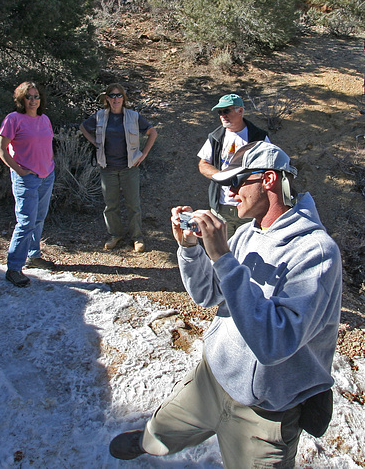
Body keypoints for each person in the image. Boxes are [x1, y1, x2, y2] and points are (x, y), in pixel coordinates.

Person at [109, 142, 343, 467]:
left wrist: (222, 257)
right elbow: (208, 295)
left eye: (236, 182)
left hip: (265, 413)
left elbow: (274, 345)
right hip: (213, 376)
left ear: (269, 180)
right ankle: (150, 441)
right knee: (165, 426)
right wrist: (190, 249)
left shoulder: (315, 252)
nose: (230, 193)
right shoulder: (248, 234)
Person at [79, 83, 157, 253]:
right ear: (107, 98)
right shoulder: (100, 116)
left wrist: (143, 154)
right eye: (112, 96)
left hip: (129, 167)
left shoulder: (133, 116)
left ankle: (137, 237)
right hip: (107, 168)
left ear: (124, 98)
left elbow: (153, 133)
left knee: (133, 204)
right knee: (110, 205)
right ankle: (115, 235)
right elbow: (83, 127)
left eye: (119, 95)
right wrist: (94, 142)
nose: (116, 99)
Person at [0, 81, 56, 288]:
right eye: (28, 97)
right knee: (26, 222)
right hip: (26, 178)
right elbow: (1, 148)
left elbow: (46, 144)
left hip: (46, 175)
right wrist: (19, 170)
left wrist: (50, 165)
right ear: (21, 99)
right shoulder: (13, 119)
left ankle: (34, 254)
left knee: (38, 218)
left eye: (36, 96)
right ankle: (14, 268)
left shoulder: (44, 119)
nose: (33, 100)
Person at [197, 93, 269, 236]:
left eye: (226, 111)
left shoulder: (259, 137)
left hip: (250, 207)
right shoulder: (216, 137)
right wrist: (221, 176)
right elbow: (203, 164)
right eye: (220, 112)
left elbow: (270, 168)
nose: (222, 115)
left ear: (240, 111)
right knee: (221, 252)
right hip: (221, 208)